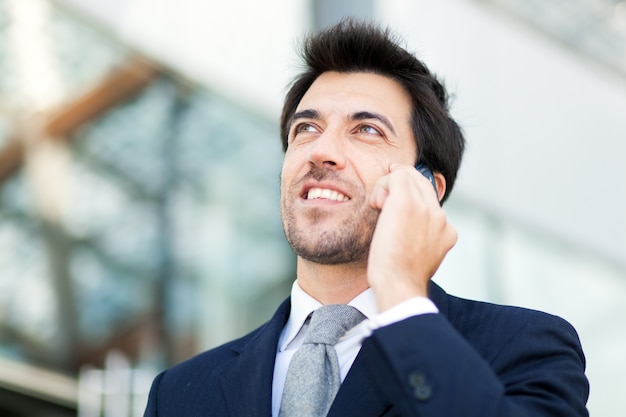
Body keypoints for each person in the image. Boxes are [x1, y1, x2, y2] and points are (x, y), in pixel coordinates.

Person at [144, 19, 589, 417]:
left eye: (367, 130)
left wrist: (400, 292)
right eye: (306, 129)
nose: (321, 151)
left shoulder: (524, 346)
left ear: (426, 189)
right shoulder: (179, 394)